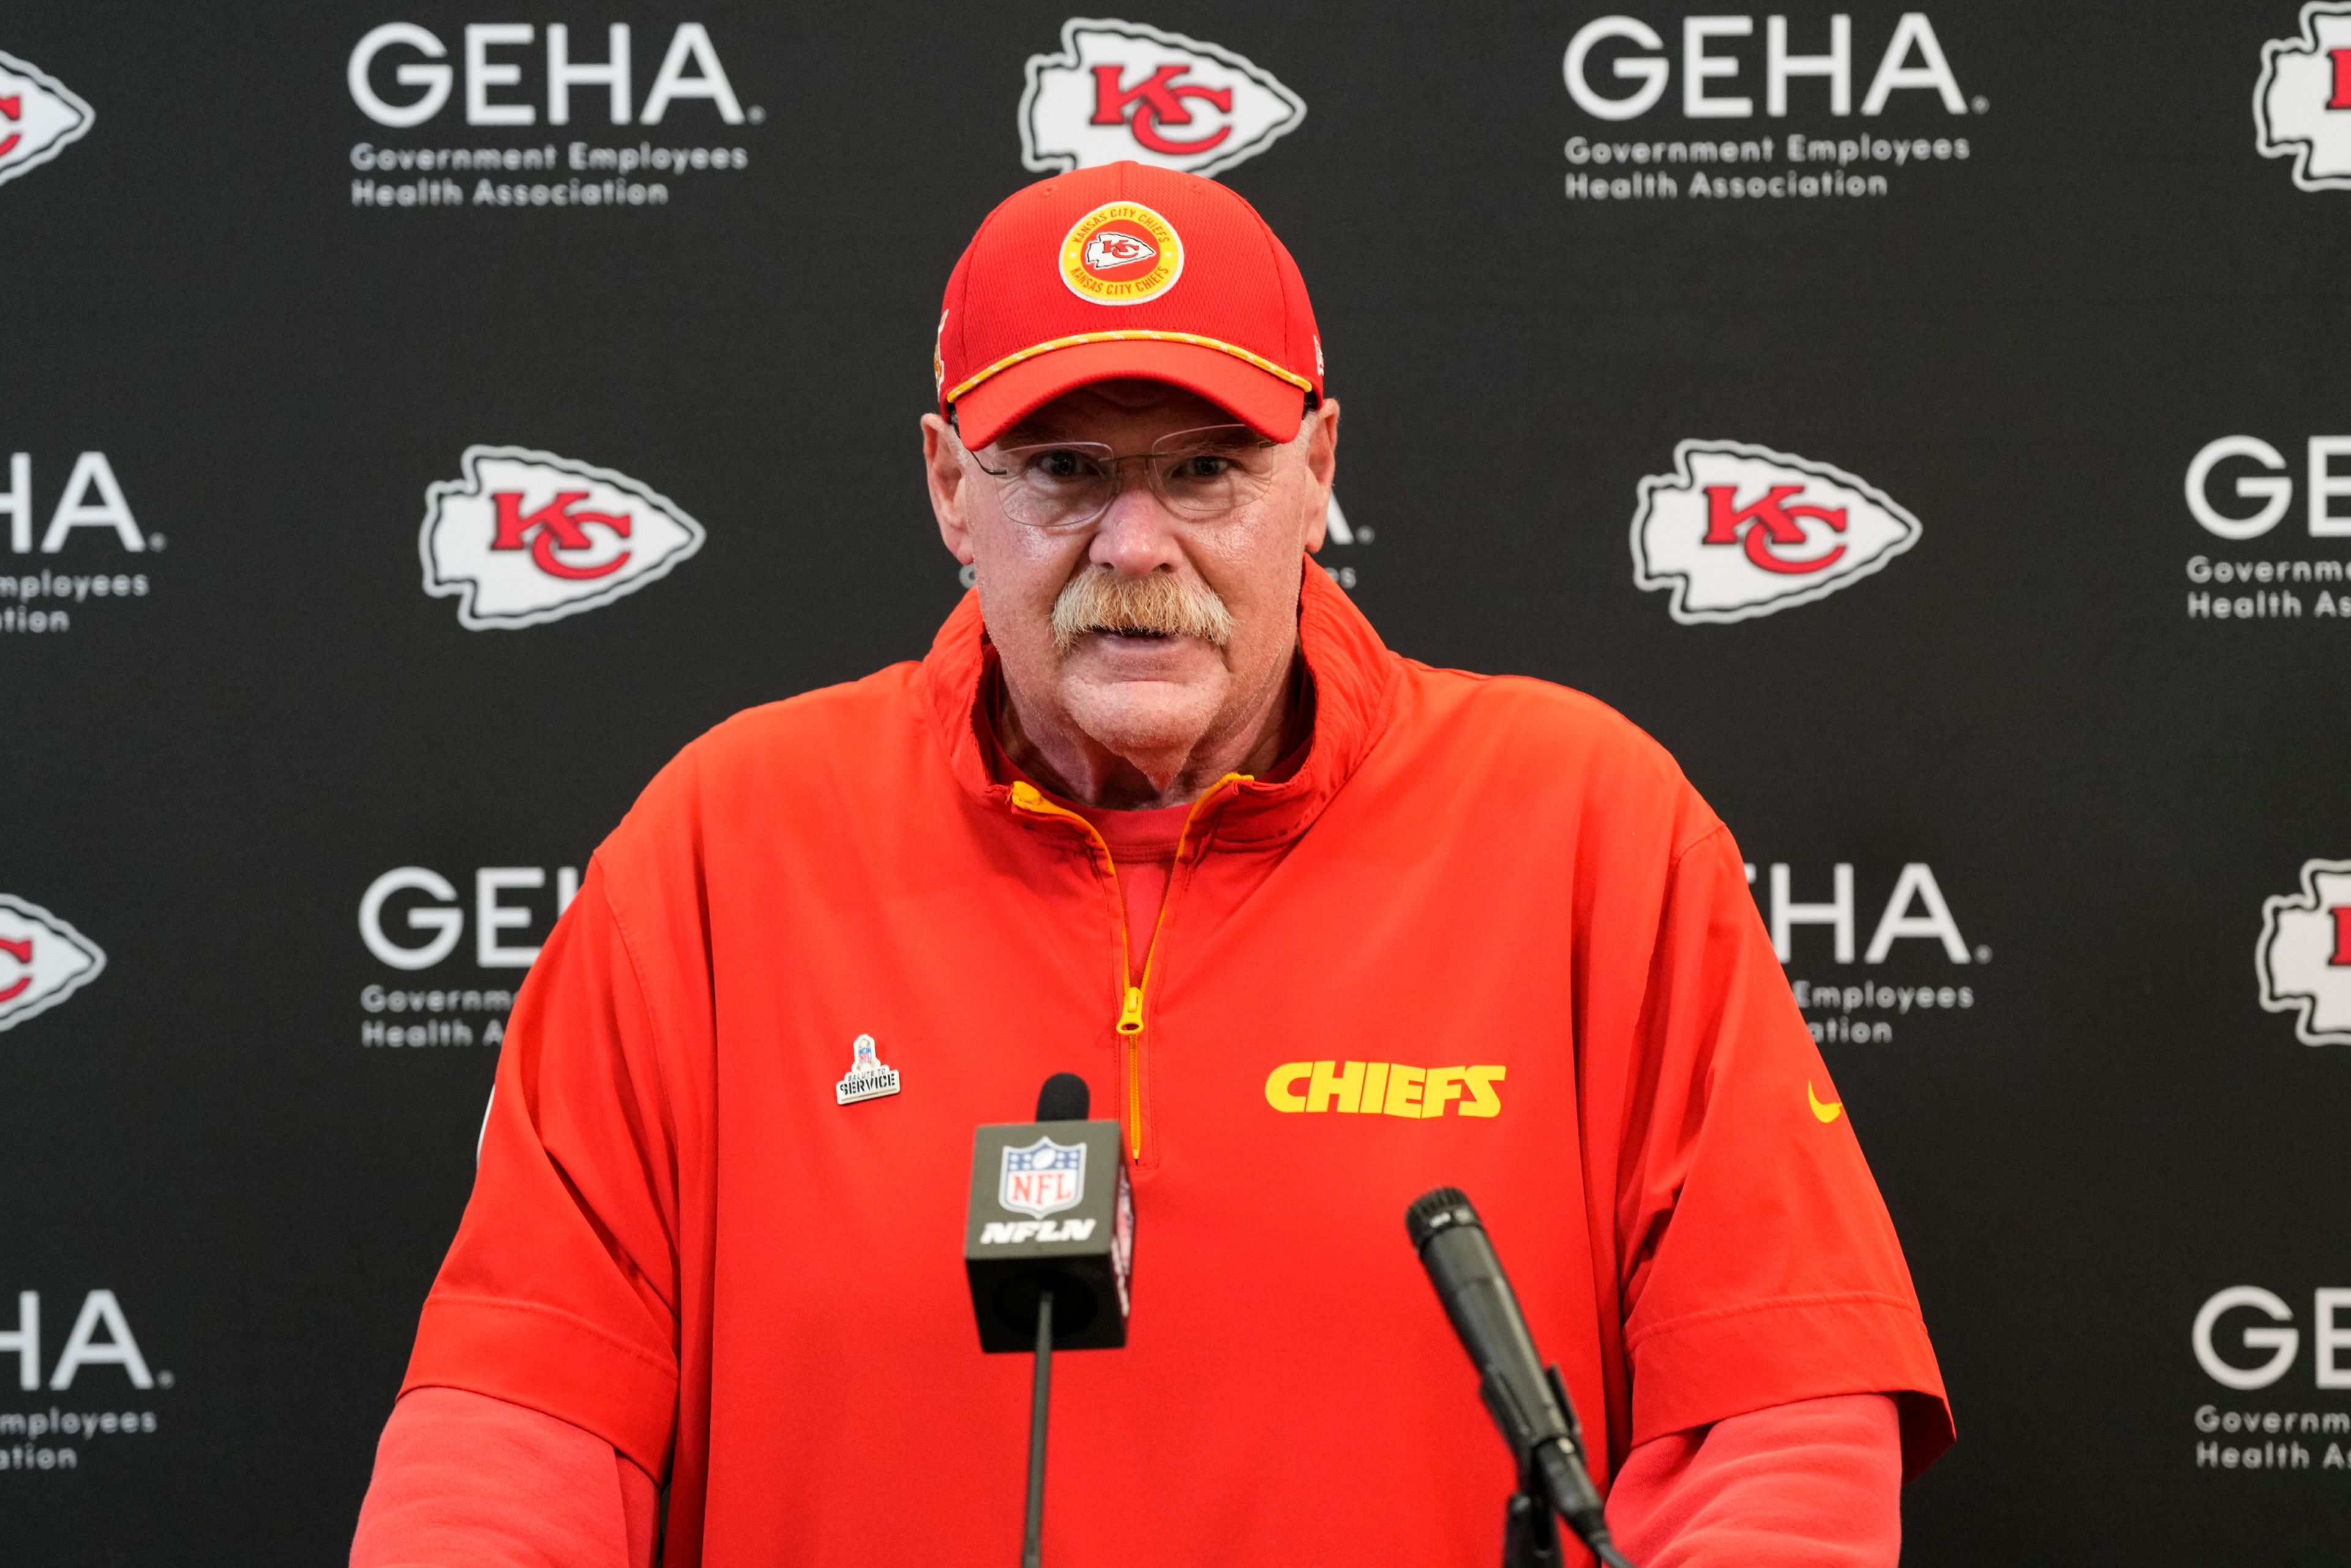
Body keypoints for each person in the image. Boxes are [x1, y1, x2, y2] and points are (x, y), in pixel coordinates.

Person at [352, 161, 1949, 1567]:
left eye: (1203, 469)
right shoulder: (718, 844)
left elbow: (1783, 1428)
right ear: (947, 488)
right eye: (1063, 470)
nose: (1135, 547)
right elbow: (516, 1441)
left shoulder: (1592, 822)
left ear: (1318, 471)